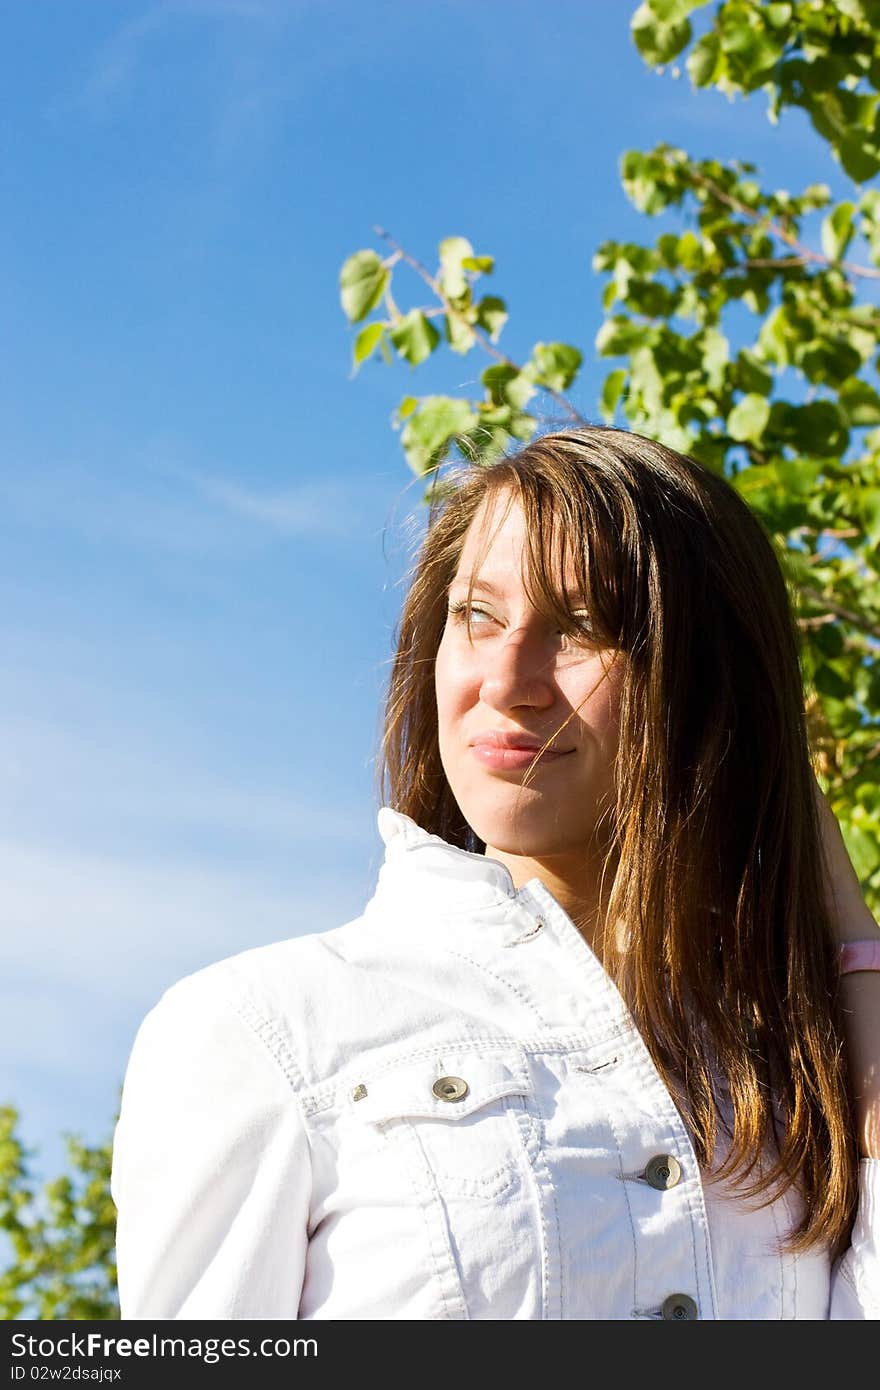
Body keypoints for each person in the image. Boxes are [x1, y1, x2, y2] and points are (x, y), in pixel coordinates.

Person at [110, 424, 880, 1320]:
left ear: (712, 688)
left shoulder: (785, 1078)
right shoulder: (262, 1028)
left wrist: (851, 942)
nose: (507, 678)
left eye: (583, 626)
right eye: (477, 617)